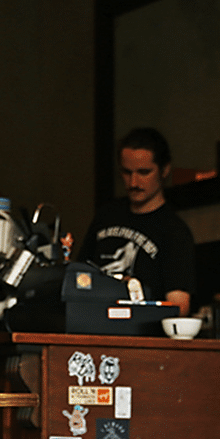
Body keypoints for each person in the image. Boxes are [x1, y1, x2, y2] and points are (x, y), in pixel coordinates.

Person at [79, 127, 195, 315]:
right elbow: (80, 275)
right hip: (94, 325)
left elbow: (179, 306)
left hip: (142, 335)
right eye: (126, 172)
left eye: (144, 172)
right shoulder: (106, 216)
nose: (133, 182)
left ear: (164, 170)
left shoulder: (174, 231)